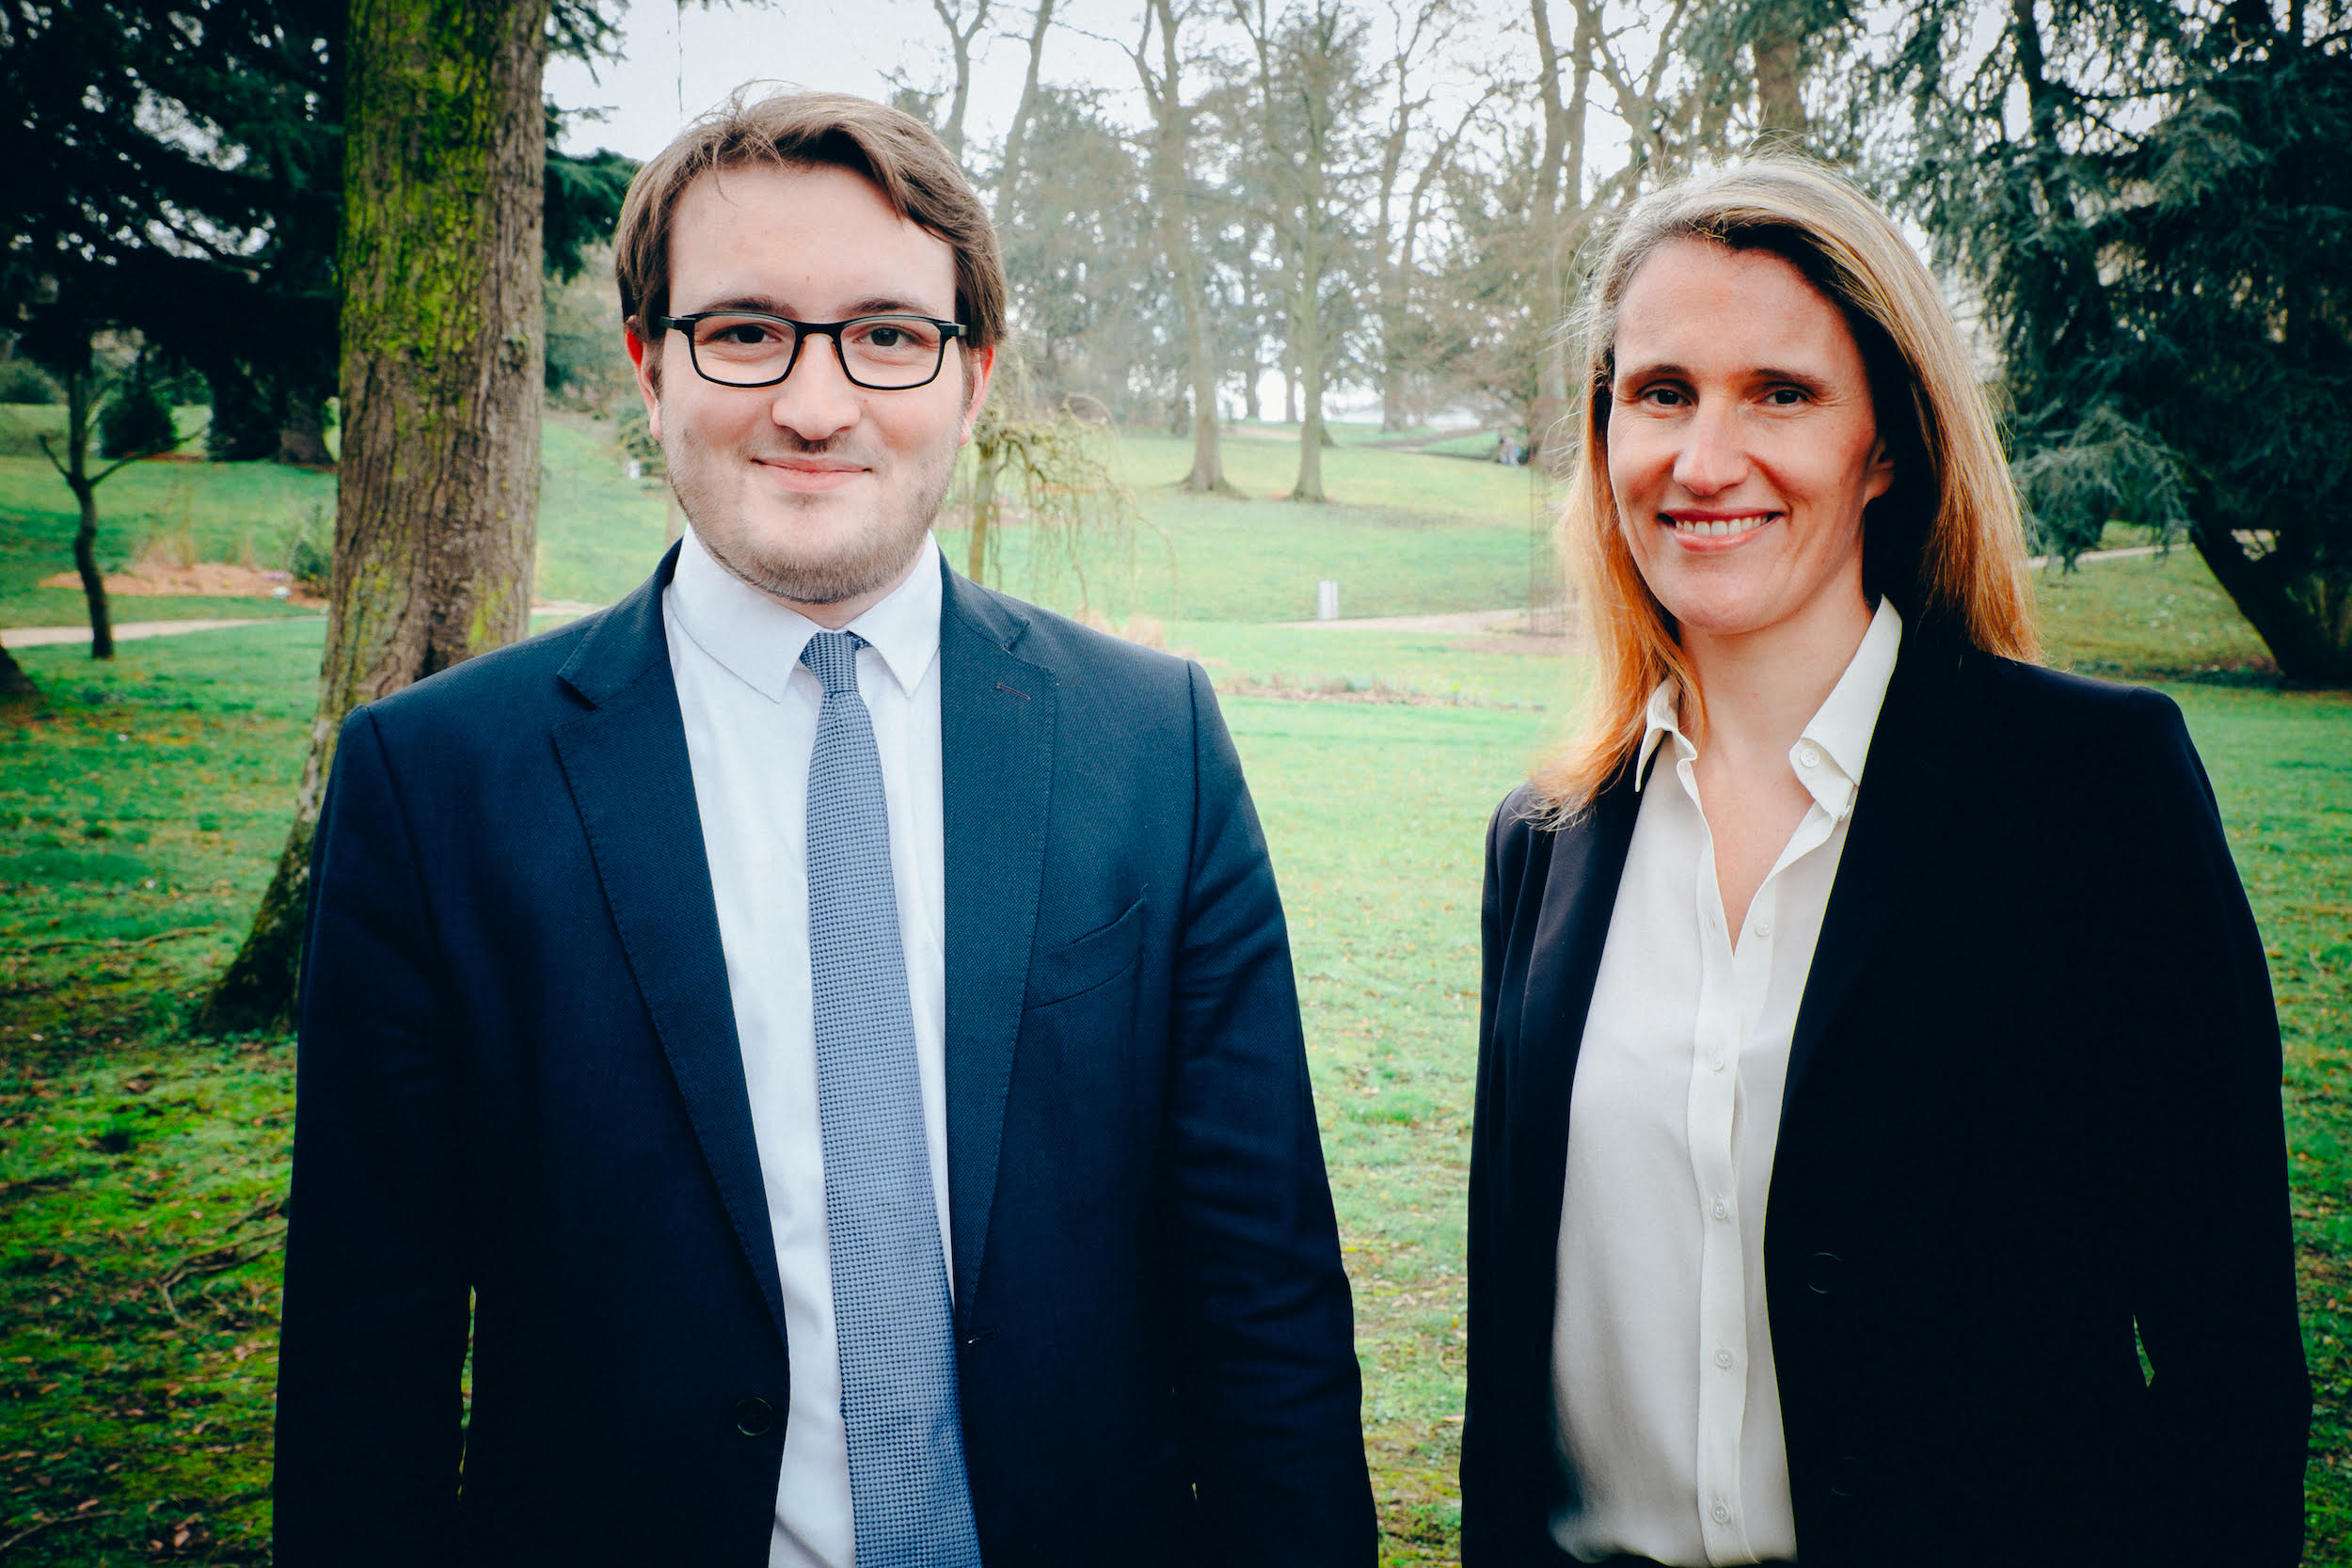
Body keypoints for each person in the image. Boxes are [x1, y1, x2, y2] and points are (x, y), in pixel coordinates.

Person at [273, 90, 1375, 1568]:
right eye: (745, 331)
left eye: (888, 335)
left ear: (973, 377)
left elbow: (1266, 1302)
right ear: (647, 365)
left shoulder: (1151, 745)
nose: (813, 401)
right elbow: (366, 1368)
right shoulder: (437, 784)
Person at [1461, 158, 2309, 1568]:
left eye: (1780, 394)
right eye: (1661, 392)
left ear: (1888, 447)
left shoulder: (2091, 793)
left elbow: (2230, 1355)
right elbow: (1511, 1365)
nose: (1704, 459)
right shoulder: (1544, 841)